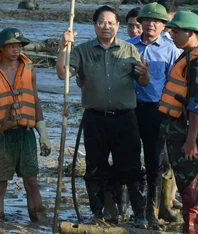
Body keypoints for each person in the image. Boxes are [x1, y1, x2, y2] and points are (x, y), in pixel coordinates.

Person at [56, 5, 150, 228]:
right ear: (94, 25)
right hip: (95, 119)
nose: (106, 26)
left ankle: (139, 214)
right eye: (101, 22)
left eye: (110, 23)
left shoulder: (129, 50)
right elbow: (62, 74)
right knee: (95, 167)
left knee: (131, 167)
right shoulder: (82, 50)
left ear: (117, 26)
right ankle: (98, 213)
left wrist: (145, 74)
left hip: (125, 118)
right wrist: (63, 46)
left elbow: (143, 82)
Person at [0, 27, 52, 222]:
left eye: (19, 46)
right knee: (0, 184)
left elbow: (35, 101)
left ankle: (39, 221)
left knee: (31, 181)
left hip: (25, 133)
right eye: (12, 46)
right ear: (1, 48)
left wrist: (43, 133)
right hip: (1, 136)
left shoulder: (29, 69)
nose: (16, 50)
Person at [126, 2, 181, 229]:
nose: (151, 24)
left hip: (156, 111)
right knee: (127, 160)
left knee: (155, 162)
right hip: (127, 109)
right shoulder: (127, 46)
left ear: (163, 25)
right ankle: (130, 210)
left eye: (156, 21)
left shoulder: (171, 50)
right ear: (141, 23)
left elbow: (176, 85)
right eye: (147, 20)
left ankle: (153, 212)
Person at [158, 11, 198, 233]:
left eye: (175, 32)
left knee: (191, 191)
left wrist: (191, 140)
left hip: (187, 134)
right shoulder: (187, 56)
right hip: (180, 131)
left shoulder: (196, 62)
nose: (171, 35)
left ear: (190, 33)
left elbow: (195, 104)